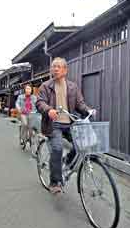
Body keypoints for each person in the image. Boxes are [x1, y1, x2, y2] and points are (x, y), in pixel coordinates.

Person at [36, 57, 94, 194]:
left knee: (81, 145)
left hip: (69, 124)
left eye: (58, 66)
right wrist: (48, 110)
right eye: (53, 66)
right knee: (57, 148)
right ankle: (54, 182)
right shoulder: (45, 86)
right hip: (53, 124)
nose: (55, 69)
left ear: (65, 70)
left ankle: (66, 162)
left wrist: (88, 110)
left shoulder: (73, 87)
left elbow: (80, 104)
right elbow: (40, 102)